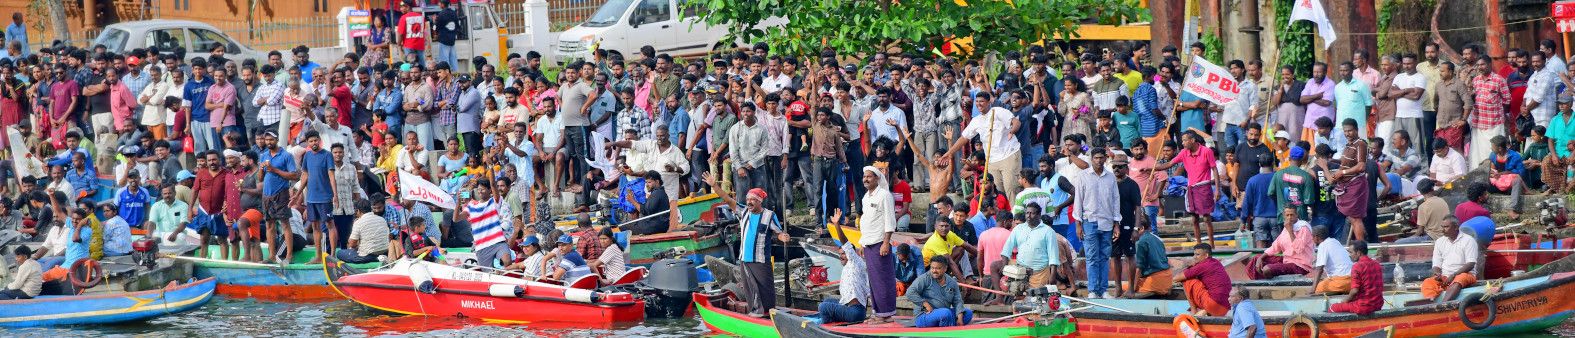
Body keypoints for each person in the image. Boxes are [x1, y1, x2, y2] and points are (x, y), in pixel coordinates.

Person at [703, 172, 789, 318]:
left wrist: (783, 237)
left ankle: (769, 312)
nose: (749, 202)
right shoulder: (743, 212)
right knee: (751, 289)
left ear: (760, 201)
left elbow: (777, 232)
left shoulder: (769, 215)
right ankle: (756, 312)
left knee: (767, 289)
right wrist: (715, 186)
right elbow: (726, 198)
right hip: (745, 259)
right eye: (747, 199)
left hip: (761, 259)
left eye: (753, 200)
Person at [1152, 132, 1221, 245]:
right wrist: (1152, 168)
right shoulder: (1184, 152)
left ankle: (1212, 245)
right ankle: (1199, 244)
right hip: (1191, 188)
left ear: (1192, 140)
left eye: (1185, 140)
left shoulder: (1206, 151)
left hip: (1204, 186)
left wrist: (1217, 189)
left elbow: (1214, 170)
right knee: (1194, 219)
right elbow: (1169, 164)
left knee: (1206, 218)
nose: (1182, 143)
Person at [1074, 148, 1118, 298]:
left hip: (1107, 222)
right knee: (1092, 257)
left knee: (1105, 257)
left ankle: (1104, 290)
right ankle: (1093, 290)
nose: (1099, 160)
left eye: (1101, 158)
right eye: (1096, 158)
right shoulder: (1083, 176)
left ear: (1105, 159)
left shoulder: (1111, 177)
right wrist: (1078, 224)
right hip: (1089, 221)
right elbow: (1078, 200)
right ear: (1091, 159)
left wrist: (1116, 223)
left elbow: (1115, 201)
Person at [818, 209, 870, 323]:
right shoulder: (848, 267)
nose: (841, 256)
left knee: (823, 308)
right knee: (827, 301)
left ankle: (825, 330)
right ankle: (832, 322)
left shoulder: (855, 261)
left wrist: (837, 225)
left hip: (856, 312)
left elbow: (845, 243)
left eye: (843, 254)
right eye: (840, 254)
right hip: (849, 307)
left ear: (851, 253)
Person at [1247, 207, 1313, 280]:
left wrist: (1290, 231)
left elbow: (1299, 249)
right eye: (1287, 215)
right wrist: (1261, 257)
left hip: (1300, 265)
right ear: (1284, 216)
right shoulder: (1286, 227)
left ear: (1297, 215)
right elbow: (1275, 246)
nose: (1289, 217)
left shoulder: (1303, 228)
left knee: (1267, 269)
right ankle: (1259, 283)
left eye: (1292, 215)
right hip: (1287, 260)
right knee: (1256, 259)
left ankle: (1271, 286)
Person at [457, 181, 510, 269]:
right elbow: (458, 216)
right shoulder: (468, 206)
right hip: (479, 236)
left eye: (482, 189)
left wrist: (468, 190)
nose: (463, 199)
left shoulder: (476, 203)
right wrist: (460, 199)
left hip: (492, 236)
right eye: (478, 189)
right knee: (487, 270)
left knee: (505, 260)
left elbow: (489, 188)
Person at [1424, 219, 1478, 302]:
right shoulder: (1439, 242)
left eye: (1446, 227)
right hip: (1445, 277)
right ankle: (1430, 304)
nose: (1443, 230)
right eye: (1442, 227)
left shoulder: (1469, 240)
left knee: (1459, 280)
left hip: (1466, 275)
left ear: (1456, 227)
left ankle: (1443, 305)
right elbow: (1436, 264)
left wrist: (1453, 275)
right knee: (1427, 282)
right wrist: (1437, 273)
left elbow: (1471, 264)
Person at [907, 259, 973, 328]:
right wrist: (925, 304)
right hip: (925, 315)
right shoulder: (924, 278)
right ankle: (947, 327)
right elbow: (910, 293)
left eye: (938, 268)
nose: (934, 271)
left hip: (943, 312)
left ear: (945, 268)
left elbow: (958, 301)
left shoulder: (952, 282)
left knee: (968, 313)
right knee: (945, 313)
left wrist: (959, 318)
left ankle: (945, 323)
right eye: (932, 268)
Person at [1331, 240, 1384, 315]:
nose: (1349, 255)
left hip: (1363, 306)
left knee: (1332, 308)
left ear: (1358, 253)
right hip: (1378, 304)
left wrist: (1344, 301)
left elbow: (1354, 291)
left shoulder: (1357, 266)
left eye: (1351, 252)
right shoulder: (1377, 265)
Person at [1179, 243, 1231, 316]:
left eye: (1197, 255)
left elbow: (1177, 278)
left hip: (1212, 305)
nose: (1194, 257)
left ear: (1206, 255)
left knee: (1187, 280)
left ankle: (1193, 310)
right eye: (1194, 254)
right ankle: (1205, 311)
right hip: (1225, 308)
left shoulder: (1202, 266)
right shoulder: (1216, 262)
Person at [336, 200, 388, 264]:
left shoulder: (358, 222)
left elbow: (352, 244)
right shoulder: (382, 219)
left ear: (358, 211)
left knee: (339, 253)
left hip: (367, 255)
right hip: (385, 251)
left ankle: (375, 259)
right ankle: (378, 257)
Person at [1309, 225, 1354, 295]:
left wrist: (1312, 290)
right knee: (1325, 280)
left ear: (1316, 237)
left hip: (1342, 282)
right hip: (1353, 281)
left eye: (1312, 236)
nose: (1312, 238)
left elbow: (1319, 269)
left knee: (1319, 288)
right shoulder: (1335, 241)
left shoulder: (1323, 245)